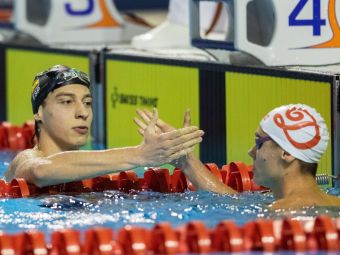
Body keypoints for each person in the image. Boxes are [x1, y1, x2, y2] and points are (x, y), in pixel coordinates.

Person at [4, 65, 204, 187]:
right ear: (38, 112)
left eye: (87, 102)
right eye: (66, 101)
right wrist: (141, 155)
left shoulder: (102, 174)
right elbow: (41, 171)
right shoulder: (25, 161)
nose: (82, 112)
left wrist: (187, 163)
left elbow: (232, 204)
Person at [134, 105, 340, 209]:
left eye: (259, 142)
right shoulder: (334, 203)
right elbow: (233, 201)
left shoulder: (281, 214)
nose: (251, 151)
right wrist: (186, 161)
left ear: (287, 153)